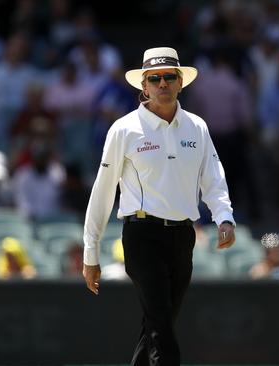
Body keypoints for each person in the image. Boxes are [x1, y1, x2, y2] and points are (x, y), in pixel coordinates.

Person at [82, 47, 237, 366]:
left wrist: (224, 217)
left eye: (169, 77)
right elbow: (103, 191)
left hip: (183, 236)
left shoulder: (197, 127)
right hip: (142, 236)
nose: (162, 83)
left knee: (156, 326)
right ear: (144, 86)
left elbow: (213, 177)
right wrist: (90, 253)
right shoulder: (124, 129)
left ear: (181, 83)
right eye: (155, 78)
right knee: (162, 333)